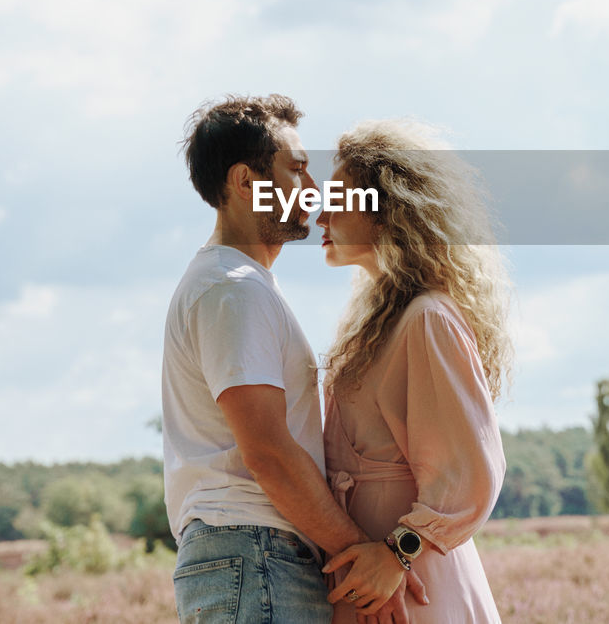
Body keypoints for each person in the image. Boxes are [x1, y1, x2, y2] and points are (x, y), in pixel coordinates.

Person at [162, 95, 426, 624]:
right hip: (255, 555)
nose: (314, 191)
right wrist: (365, 556)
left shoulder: (242, 286)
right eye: (298, 170)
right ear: (245, 182)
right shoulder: (232, 289)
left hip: (256, 557)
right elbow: (269, 452)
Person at [316, 120, 512, 623]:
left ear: (385, 213)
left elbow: (471, 471)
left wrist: (400, 551)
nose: (321, 215)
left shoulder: (426, 318)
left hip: (417, 587)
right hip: (375, 587)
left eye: (338, 199)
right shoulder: (384, 320)